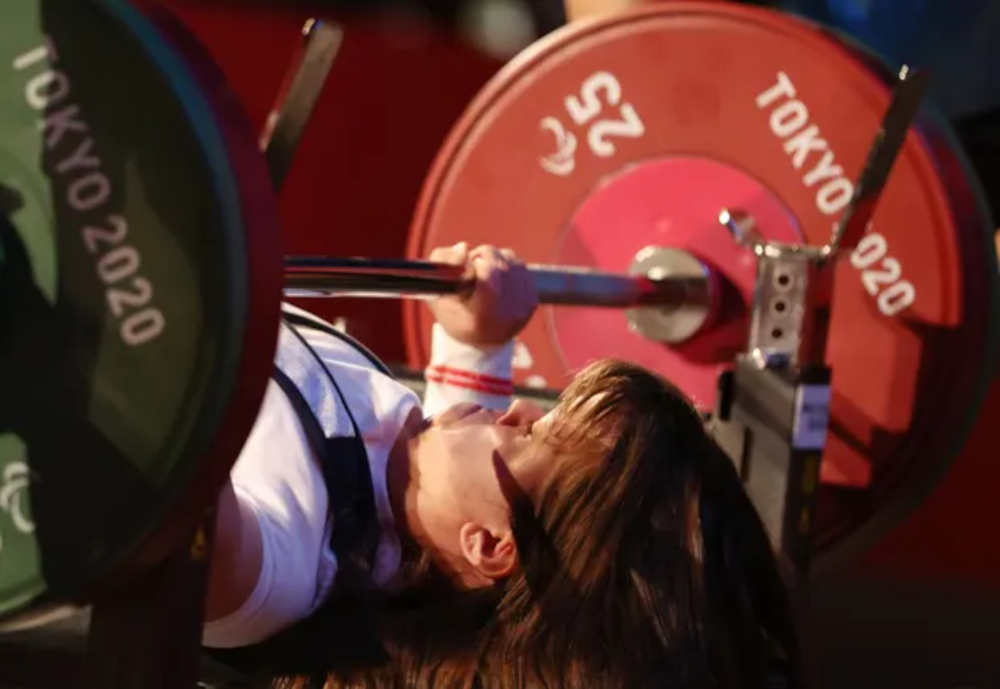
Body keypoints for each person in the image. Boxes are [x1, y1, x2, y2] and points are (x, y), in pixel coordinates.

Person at [202, 243, 802, 688]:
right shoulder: (410, 474)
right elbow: (469, 483)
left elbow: (185, 506)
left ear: (490, 545)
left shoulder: (285, 567)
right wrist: (479, 340)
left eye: (536, 434)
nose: (516, 409)